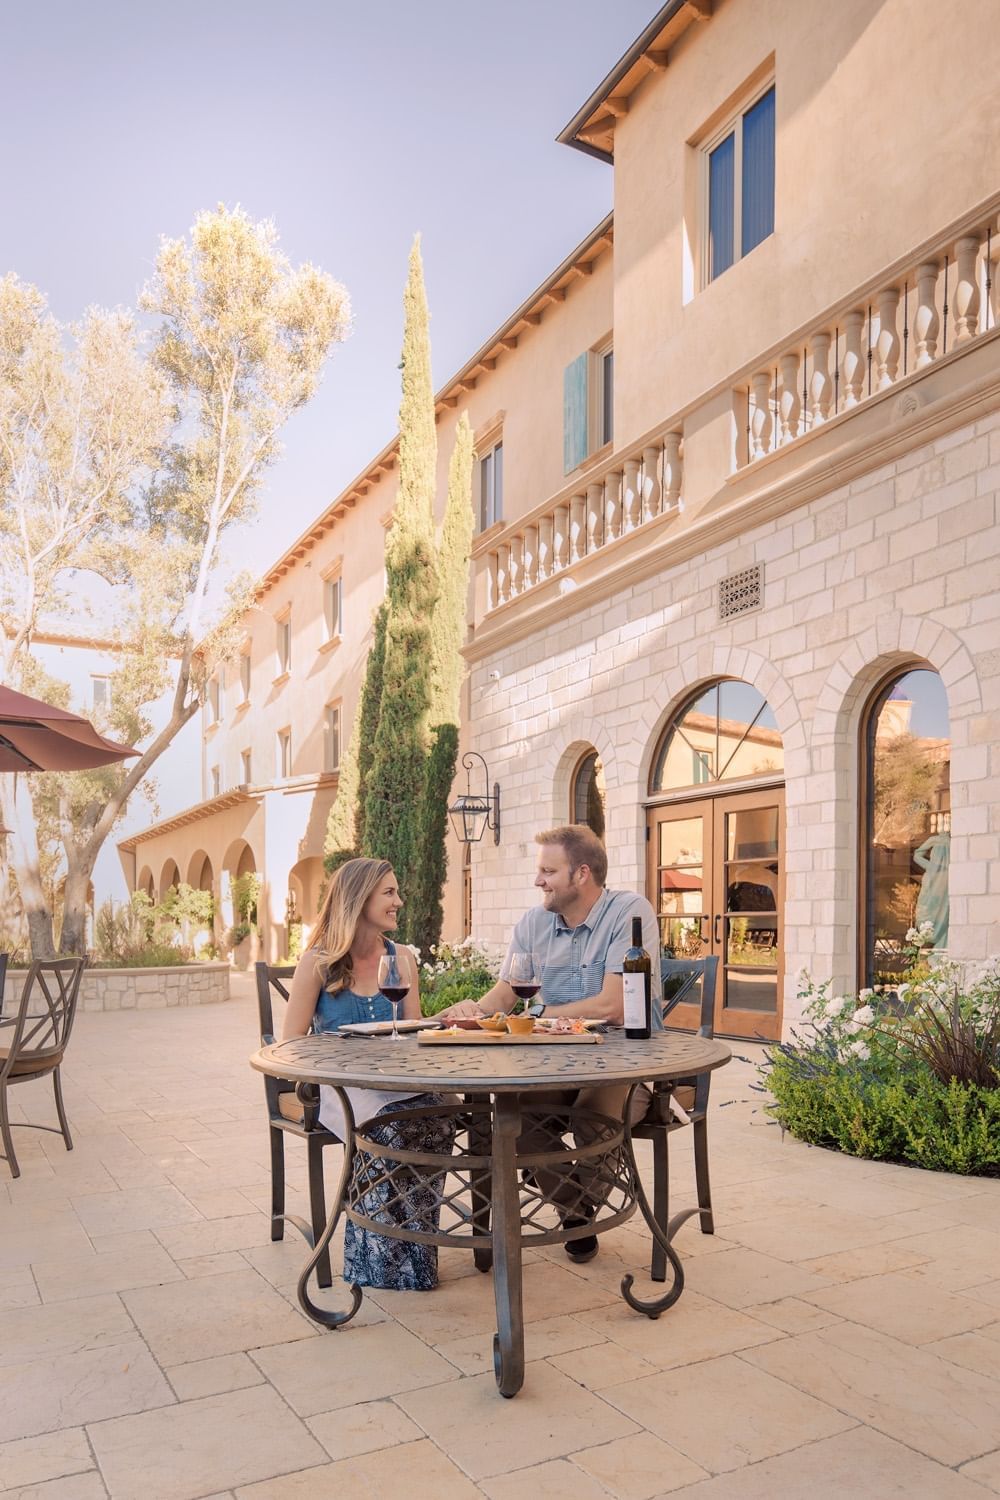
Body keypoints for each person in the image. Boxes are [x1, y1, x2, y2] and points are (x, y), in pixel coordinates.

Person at [439, 824, 661, 1262]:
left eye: (548, 871)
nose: (538, 880)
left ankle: (568, 1203)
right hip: (553, 1065)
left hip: (623, 1062)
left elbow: (614, 1006)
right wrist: (473, 1012)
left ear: (582, 873)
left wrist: (537, 1015)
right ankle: (577, 1212)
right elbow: (508, 991)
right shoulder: (533, 923)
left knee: (593, 1121)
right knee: (515, 1120)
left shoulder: (629, 912)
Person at [283, 857, 454, 1292]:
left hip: (396, 1081)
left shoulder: (402, 958)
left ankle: (415, 1254)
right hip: (340, 1086)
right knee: (390, 1128)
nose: (400, 901)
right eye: (389, 893)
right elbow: (292, 1041)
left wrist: (442, 1023)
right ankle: (375, 1257)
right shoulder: (318, 962)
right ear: (359, 899)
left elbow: (411, 1031)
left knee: (438, 1117)